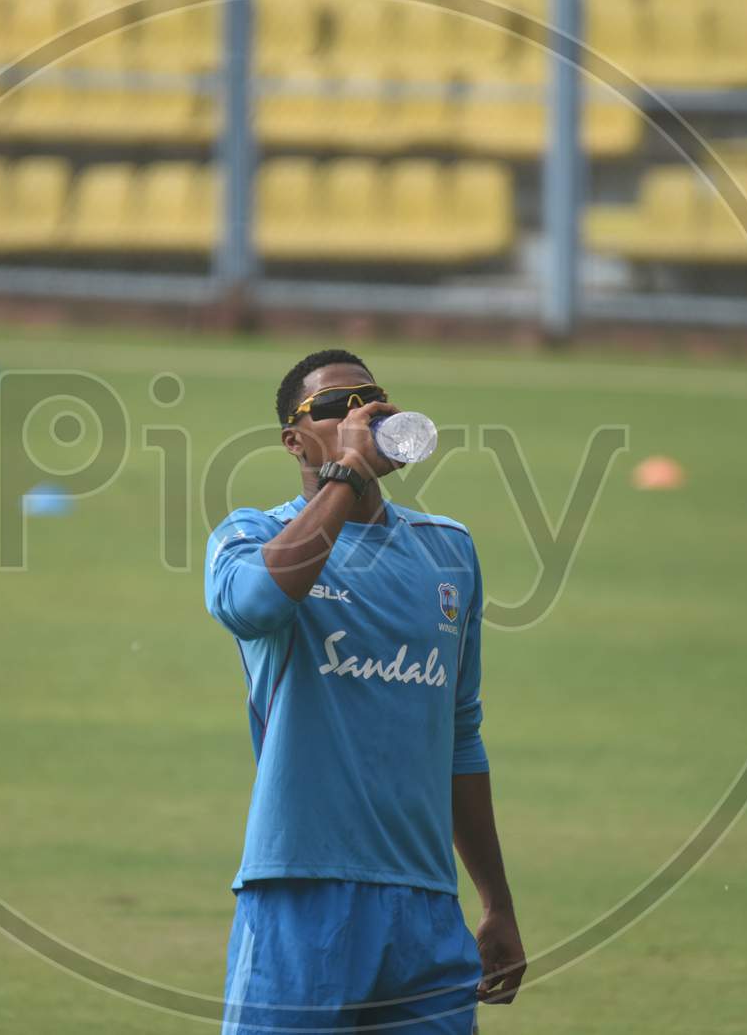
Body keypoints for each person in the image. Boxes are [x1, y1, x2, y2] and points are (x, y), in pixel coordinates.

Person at [204, 349, 524, 1034]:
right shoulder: (251, 536)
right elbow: (256, 605)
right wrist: (344, 477)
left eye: (369, 398)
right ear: (295, 440)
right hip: (300, 890)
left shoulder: (449, 552)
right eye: (331, 408)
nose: (357, 414)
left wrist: (495, 900)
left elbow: (460, 736)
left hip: (425, 908)